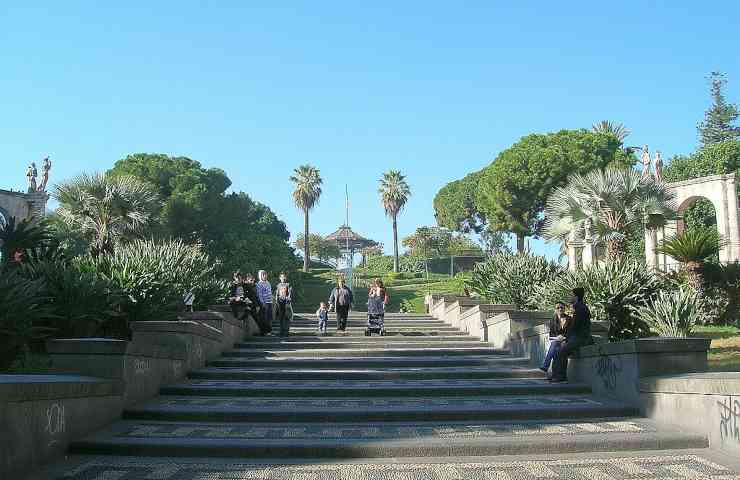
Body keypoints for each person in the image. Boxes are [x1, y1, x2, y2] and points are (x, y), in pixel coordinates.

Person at [550, 287, 592, 383]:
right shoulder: (578, 308)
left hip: (581, 338)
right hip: (576, 337)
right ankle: (555, 375)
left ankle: (560, 377)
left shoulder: (581, 309)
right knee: (557, 350)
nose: (570, 297)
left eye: (571, 295)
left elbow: (576, 327)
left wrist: (566, 338)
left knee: (560, 351)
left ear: (576, 297)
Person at [540, 302, 570, 375]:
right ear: (555, 309)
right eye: (558, 308)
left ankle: (546, 366)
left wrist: (563, 337)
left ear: (564, 309)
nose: (560, 309)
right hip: (556, 340)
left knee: (555, 348)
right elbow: (551, 334)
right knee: (555, 347)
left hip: (566, 340)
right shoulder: (553, 320)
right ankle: (556, 374)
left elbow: (571, 331)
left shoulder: (569, 319)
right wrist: (557, 338)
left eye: (562, 307)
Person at [275, 272, 293, 337]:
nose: (283, 278)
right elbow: (277, 293)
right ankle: (281, 331)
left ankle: (286, 331)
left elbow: (290, 293)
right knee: (281, 317)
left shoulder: (288, 284)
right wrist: (276, 300)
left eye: (284, 277)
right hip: (280, 303)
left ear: (286, 278)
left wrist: (288, 299)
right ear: (280, 278)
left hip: (286, 303)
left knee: (287, 317)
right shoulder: (278, 285)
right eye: (282, 277)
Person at [256, 270, 274, 335]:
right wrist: (262, 302)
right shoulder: (259, 284)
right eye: (263, 275)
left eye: (265, 274)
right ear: (260, 276)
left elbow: (270, 292)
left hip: (270, 302)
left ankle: (269, 331)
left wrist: (272, 299)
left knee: (269, 317)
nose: (265, 276)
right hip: (264, 303)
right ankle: (264, 331)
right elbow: (259, 294)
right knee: (264, 318)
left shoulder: (268, 283)